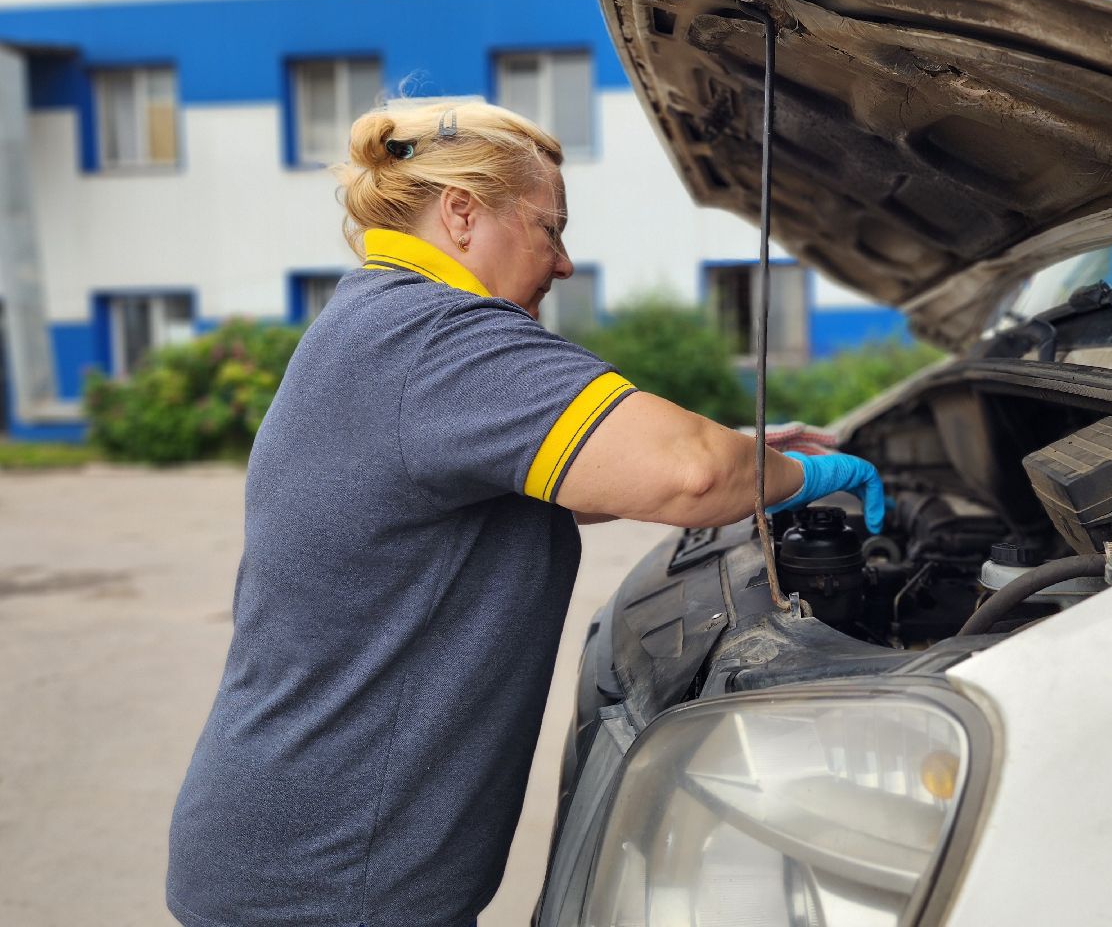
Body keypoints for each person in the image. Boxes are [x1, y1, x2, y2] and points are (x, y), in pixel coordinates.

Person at [165, 99, 884, 927]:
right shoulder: (436, 336)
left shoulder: (376, 320)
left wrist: (747, 455)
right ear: (463, 214)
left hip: (303, 851)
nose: (566, 262)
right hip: (327, 882)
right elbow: (687, 476)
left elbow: (530, 491)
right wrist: (811, 472)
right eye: (552, 228)